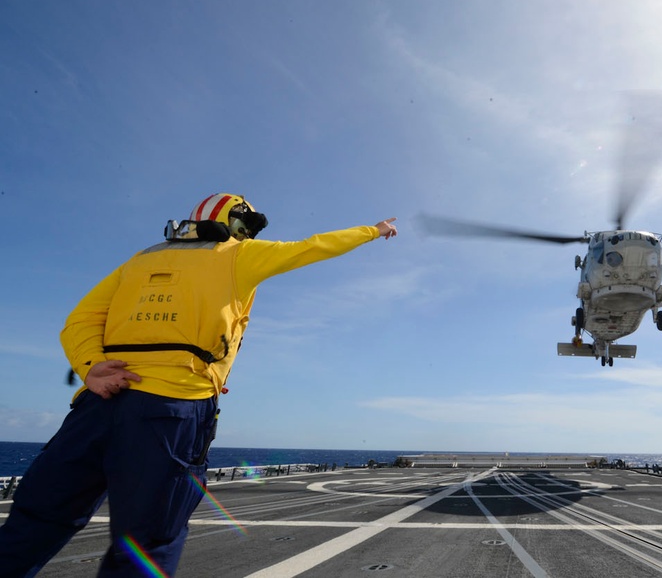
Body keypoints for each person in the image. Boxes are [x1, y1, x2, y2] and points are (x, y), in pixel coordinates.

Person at [0, 193, 398, 577]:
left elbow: (80, 320)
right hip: (172, 409)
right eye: (245, 224)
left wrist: (90, 367)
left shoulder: (140, 259)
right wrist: (373, 230)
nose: (248, 234)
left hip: (97, 404)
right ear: (231, 222)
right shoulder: (238, 254)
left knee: (36, 519)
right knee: (150, 538)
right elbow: (312, 247)